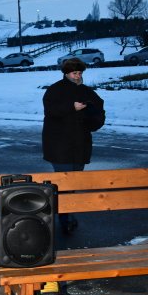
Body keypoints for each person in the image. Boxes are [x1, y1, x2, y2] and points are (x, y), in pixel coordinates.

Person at [42, 57, 105, 234]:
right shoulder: (55, 90)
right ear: (66, 73)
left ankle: (66, 215)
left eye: (79, 73)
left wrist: (93, 116)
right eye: (74, 73)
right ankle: (65, 219)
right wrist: (72, 108)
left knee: (73, 183)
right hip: (59, 145)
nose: (77, 76)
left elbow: (98, 112)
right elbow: (51, 111)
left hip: (80, 146)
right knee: (64, 184)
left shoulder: (86, 91)